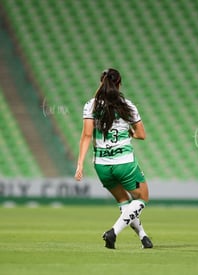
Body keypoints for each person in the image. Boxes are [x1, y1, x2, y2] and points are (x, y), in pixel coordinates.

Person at [74, 68, 153, 249]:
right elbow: (141, 135)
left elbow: (86, 136)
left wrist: (79, 165)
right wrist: (130, 132)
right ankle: (113, 232)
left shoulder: (91, 105)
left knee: (124, 201)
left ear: (101, 82)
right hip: (124, 163)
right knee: (142, 198)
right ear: (119, 83)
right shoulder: (127, 105)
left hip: (101, 165)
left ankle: (143, 236)